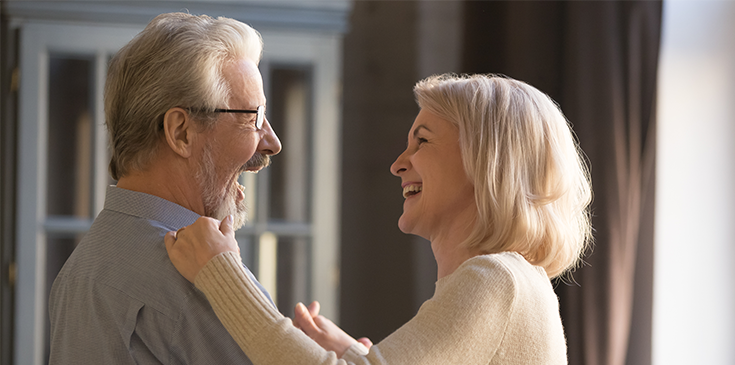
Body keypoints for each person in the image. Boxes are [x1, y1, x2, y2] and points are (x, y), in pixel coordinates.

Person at [165, 74, 593, 364]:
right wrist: (352, 354)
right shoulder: (512, 281)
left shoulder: (496, 280)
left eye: (421, 142)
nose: (397, 164)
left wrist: (220, 273)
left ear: (486, 163)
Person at [48, 12, 281, 364]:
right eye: (254, 118)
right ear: (181, 132)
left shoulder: (80, 268)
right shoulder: (203, 279)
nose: (272, 142)